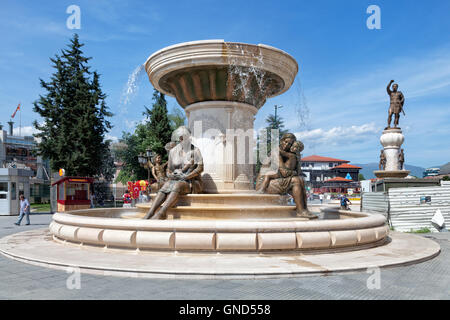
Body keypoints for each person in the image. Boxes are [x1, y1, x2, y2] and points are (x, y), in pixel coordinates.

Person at [144, 126, 204, 220]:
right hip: (175, 179)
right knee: (166, 185)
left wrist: (187, 176)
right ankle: (150, 213)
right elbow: (168, 170)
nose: (181, 139)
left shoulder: (195, 151)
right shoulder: (173, 152)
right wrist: (171, 175)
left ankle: (162, 213)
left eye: (184, 137)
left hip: (191, 181)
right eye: (180, 137)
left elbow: (200, 168)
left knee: (177, 186)